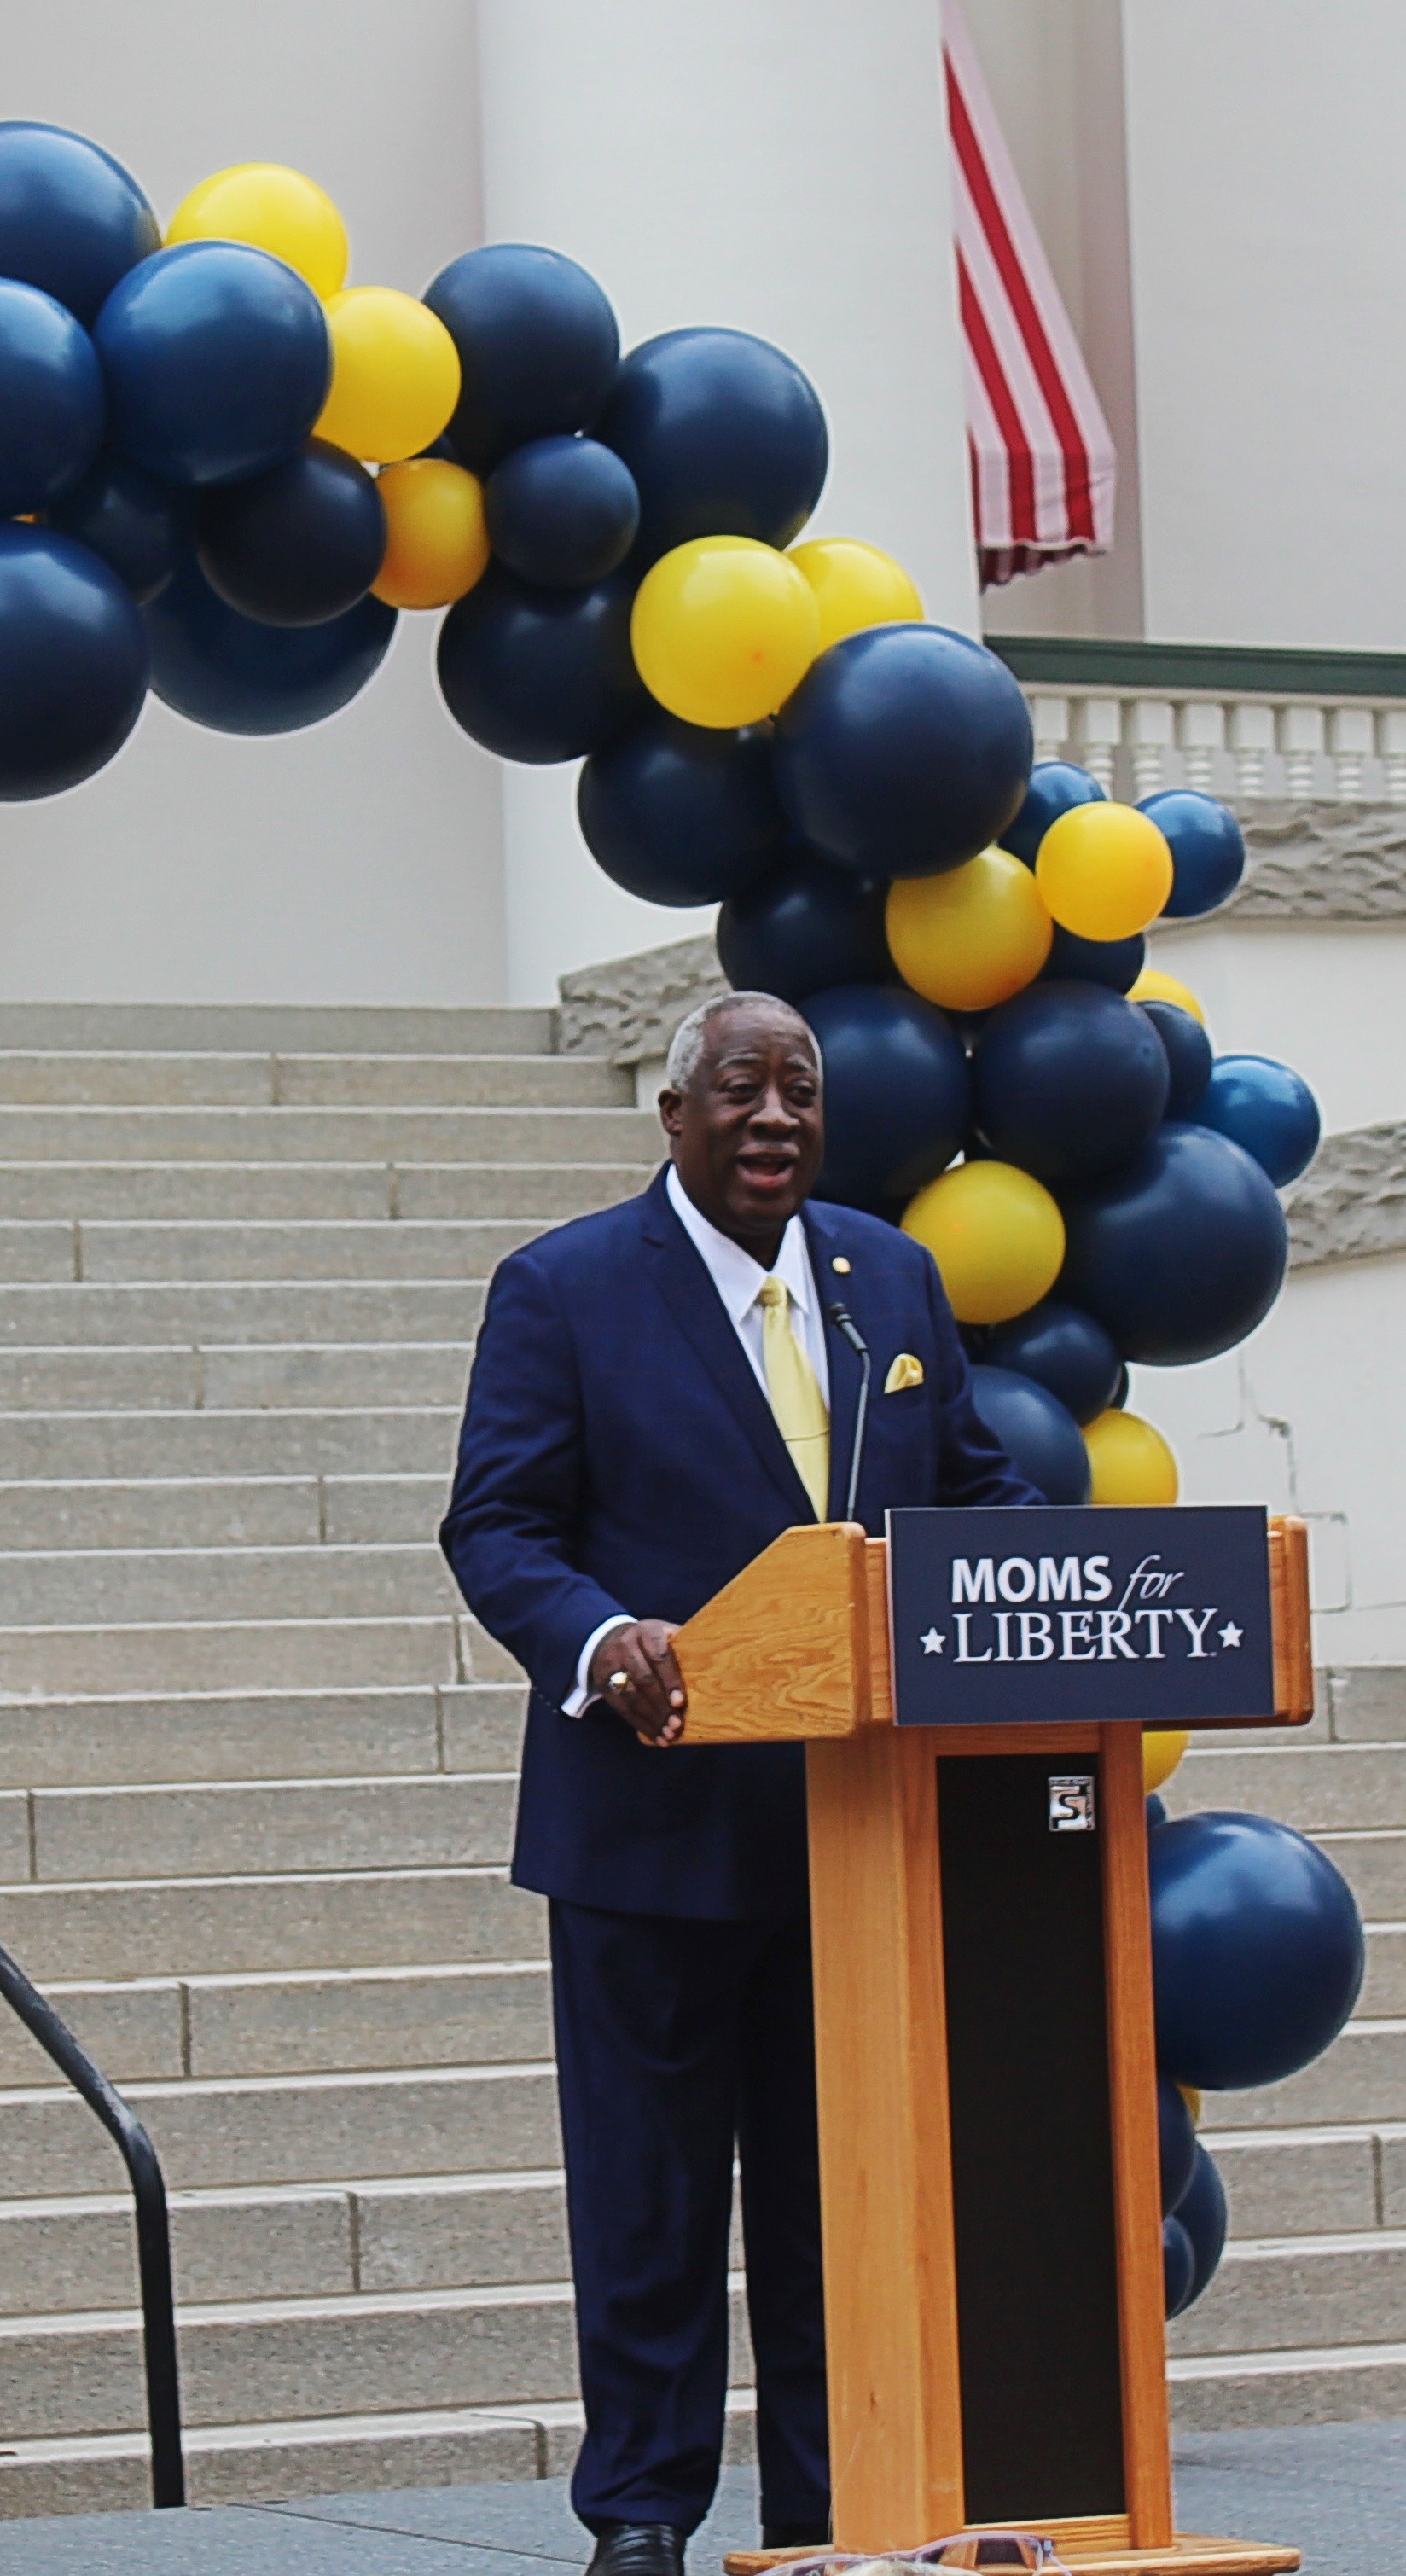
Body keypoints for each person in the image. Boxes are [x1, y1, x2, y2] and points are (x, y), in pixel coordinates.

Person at [441, 989, 1040, 2575]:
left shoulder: (888, 1279)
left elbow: (969, 1495)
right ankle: (642, 2510)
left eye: (799, 1090)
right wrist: (597, 1637)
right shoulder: (565, 1287)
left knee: (830, 2199)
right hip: (650, 1831)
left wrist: (1073, 1582)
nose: (774, 1117)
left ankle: (825, 2509)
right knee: (647, 2198)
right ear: (674, 1112)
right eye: (739, 1088)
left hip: (852, 1833)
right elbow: (496, 1525)